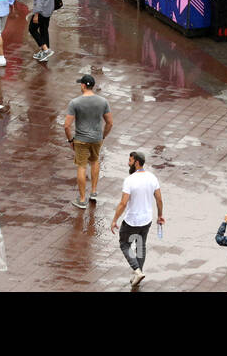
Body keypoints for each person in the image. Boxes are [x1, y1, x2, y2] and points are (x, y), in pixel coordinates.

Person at [108, 151, 164, 288]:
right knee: (140, 246)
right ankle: (138, 273)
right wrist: (160, 216)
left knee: (124, 244)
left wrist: (115, 219)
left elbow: (123, 203)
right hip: (146, 220)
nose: (128, 163)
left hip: (132, 220)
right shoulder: (152, 177)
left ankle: (137, 271)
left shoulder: (130, 180)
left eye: (130, 160)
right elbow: (159, 199)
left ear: (136, 162)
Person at [65, 74, 112, 208]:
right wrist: (103, 136)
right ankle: (93, 192)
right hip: (96, 138)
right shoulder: (103, 101)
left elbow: (66, 125)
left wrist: (70, 140)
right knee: (95, 161)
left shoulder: (75, 102)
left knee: (81, 166)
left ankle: (81, 199)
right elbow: (110, 123)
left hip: (81, 139)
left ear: (83, 85)